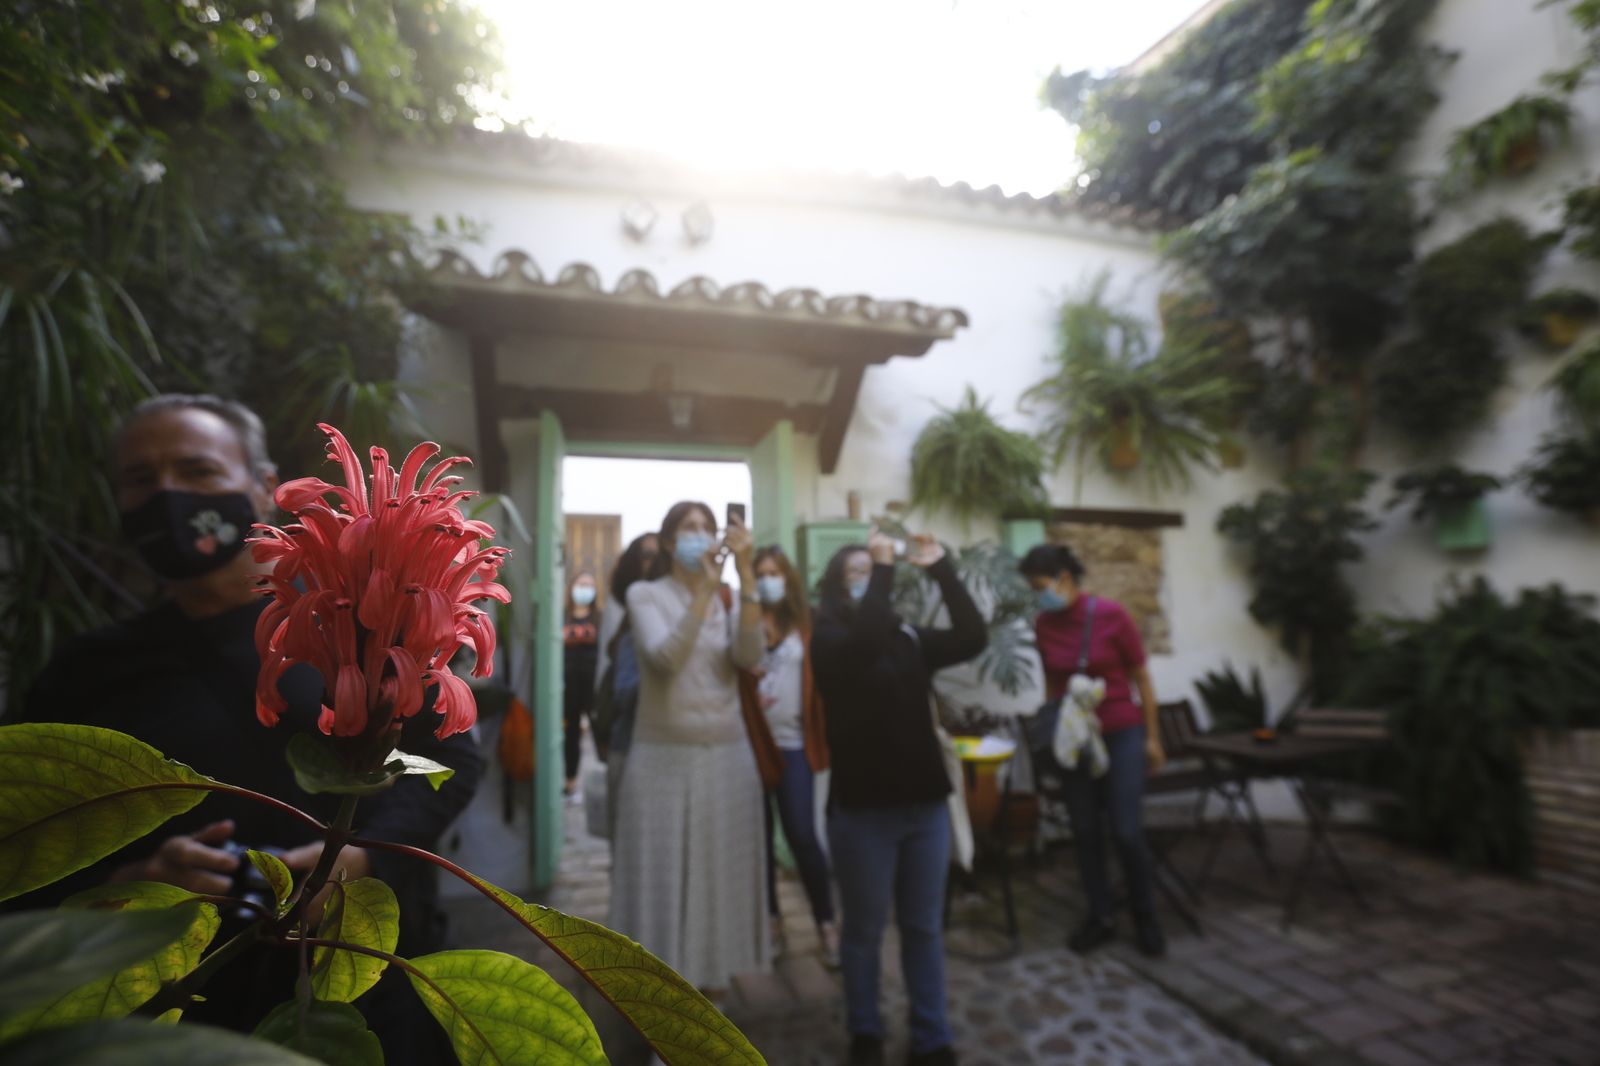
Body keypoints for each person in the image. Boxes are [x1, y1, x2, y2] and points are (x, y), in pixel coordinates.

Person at [5, 394, 482, 1063]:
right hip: (185, 1000)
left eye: (196, 470)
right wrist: (133, 880)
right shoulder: (87, 671)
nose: (167, 494)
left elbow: (447, 758)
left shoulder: (362, 619)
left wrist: (363, 856)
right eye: (141, 479)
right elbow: (29, 836)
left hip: (361, 977)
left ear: (264, 487)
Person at [810, 530, 986, 1066]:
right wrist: (885, 568)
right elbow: (862, 649)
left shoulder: (908, 637)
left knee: (923, 928)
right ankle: (866, 1033)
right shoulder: (828, 640)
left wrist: (941, 568)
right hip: (863, 815)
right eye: (857, 573)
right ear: (836, 589)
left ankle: (931, 1037)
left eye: (874, 571)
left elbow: (972, 636)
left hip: (925, 809)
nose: (869, 580)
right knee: (863, 931)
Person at [608, 501, 767, 991]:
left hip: (728, 758)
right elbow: (665, 658)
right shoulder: (645, 594)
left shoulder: (728, 599)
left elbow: (750, 654)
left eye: (707, 527)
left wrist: (746, 577)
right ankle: (660, 1003)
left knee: (720, 881)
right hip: (661, 760)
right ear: (670, 542)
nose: (700, 534)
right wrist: (704, 592)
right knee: (661, 881)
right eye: (689, 527)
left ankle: (714, 990)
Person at [1019, 542, 1167, 959]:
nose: (1038, 595)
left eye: (1040, 586)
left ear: (1064, 578)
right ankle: (1100, 916)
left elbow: (1142, 678)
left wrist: (1152, 738)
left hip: (1121, 733)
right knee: (1084, 832)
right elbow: (1052, 683)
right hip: (1075, 741)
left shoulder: (1110, 615)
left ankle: (1145, 916)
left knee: (1125, 830)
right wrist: (1051, 731)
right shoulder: (1044, 625)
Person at [748, 545, 836, 963]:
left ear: (788, 578)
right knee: (758, 840)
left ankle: (826, 923)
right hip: (750, 745)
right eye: (761, 573)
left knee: (801, 834)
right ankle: (771, 921)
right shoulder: (744, 618)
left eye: (775, 572)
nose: (768, 580)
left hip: (794, 743)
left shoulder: (807, 622)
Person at [594, 532, 657, 836]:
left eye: (659, 555)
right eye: (646, 555)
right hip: (627, 740)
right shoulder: (622, 611)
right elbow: (617, 686)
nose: (654, 563)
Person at [562, 570, 601, 799]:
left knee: (600, 731)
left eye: (589, 585)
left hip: (592, 687)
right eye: (581, 584)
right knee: (571, 736)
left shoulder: (599, 618)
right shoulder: (562, 617)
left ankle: (606, 776)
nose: (584, 589)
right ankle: (571, 782)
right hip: (568, 688)